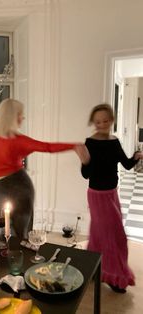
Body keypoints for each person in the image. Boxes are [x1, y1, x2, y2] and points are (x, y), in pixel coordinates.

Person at [0, 98, 87, 240]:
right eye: (20, 114)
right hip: (18, 186)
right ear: (12, 117)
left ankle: (11, 256)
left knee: (4, 229)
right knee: (19, 230)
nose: (22, 117)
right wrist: (73, 146)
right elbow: (47, 147)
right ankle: (20, 256)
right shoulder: (17, 140)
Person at [81, 103, 143, 293]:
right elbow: (86, 174)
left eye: (105, 120)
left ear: (111, 121)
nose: (101, 124)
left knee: (100, 234)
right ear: (94, 122)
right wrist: (84, 160)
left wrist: (136, 156)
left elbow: (126, 164)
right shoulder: (90, 143)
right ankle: (113, 276)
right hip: (97, 195)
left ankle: (95, 269)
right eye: (98, 121)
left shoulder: (114, 141)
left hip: (112, 193)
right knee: (115, 236)